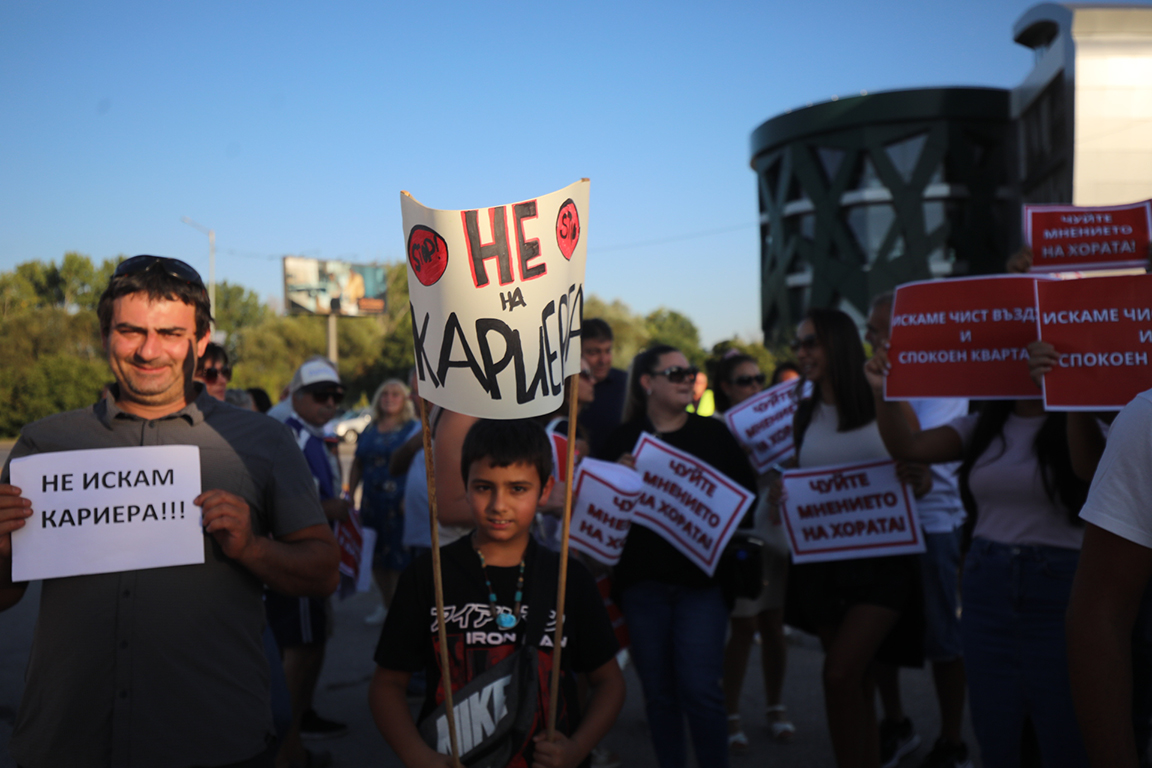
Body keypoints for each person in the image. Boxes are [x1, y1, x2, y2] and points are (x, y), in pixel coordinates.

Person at [0, 254, 339, 767]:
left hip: (214, 740)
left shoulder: (262, 440)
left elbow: (323, 572)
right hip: (68, 740)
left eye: (170, 334)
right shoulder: (44, 444)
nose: (149, 351)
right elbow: (7, 593)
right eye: (130, 331)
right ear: (105, 334)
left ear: (201, 341)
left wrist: (253, 548)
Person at [865, 342, 1097, 768]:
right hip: (986, 586)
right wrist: (883, 392)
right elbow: (909, 446)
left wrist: (1070, 393)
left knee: (1062, 725)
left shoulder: (1085, 422)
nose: (1028, 361)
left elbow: (1089, 472)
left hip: (1059, 589)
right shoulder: (981, 427)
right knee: (996, 726)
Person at [369, 419, 626, 768]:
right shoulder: (430, 575)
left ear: (545, 490)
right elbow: (387, 685)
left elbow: (609, 682)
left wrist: (577, 749)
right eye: (483, 487)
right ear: (465, 486)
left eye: (518, 488)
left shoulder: (569, 578)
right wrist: (418, 755)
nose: (499, 505)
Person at [599, 344, 758, 768]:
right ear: (647, 382)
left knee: (701, 690)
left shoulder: (714, 435)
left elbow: (747, 505)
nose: (688, 379)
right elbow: (597, 514)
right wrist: (616, 479)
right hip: (642, 586)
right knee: (659, 695)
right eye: (675, 373)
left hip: (701, 587)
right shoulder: (621, 440)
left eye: (690, 372)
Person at [784, 308, 927, 768]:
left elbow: (923, 478)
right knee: (855, 681)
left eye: (811, 343)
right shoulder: (804, 414)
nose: (801, 353)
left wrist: (916, 476)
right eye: (798, 344)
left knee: (839, 673)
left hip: (884, 565)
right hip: (823, 566)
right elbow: (801, 477)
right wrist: (785, 494)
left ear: (838, 344)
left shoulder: (887, 399)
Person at [865, 292, 970, 768]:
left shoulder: (943, 380)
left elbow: (916, 445)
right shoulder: (870, 377)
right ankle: (896, 722)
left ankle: (952, 741)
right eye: (870, 330)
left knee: (943, 640)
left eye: (880, 329)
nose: (872, 338)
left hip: (932, 525)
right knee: (879, 635)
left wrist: (886, 390)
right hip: (881, 525)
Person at [264, 357, 354, 765]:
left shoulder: (312, 434)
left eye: (336, 395)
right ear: (296, 396)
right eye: (320, 395)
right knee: (299, 653)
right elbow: (277, 498)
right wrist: (327, 509)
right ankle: (285, 751)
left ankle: (294, 740)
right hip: (296, 556)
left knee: (311, 646)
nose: (330, 403)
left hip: (310, 557)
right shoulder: (290, 434)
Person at [713, 352, 796, 752]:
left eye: (759, 379)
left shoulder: (779, 423)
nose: (755, 386)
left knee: (774, 625)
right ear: (726, 387)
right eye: (745, 380)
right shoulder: (717, 429)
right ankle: (730, 713)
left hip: (775, 533)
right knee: (744, 627)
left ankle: (776, 707)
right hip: (740, 538)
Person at [348, 378, 419, 625]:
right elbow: (357, 462)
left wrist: (409, 498)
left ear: (405, 400)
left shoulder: (412, 428)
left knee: (399, 558)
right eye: (385, 394)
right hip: (371, 503)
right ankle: (386, 604)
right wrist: (350, 494)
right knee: (376, 555)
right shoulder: (370, 429)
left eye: (395, 394)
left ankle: (399, 609)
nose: (389, 398)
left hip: (400, 504)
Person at [579, 318, 628, 457]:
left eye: (608, 351)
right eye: (593, 353)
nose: (603, 360)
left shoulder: (626, 384)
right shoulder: (560, 389)